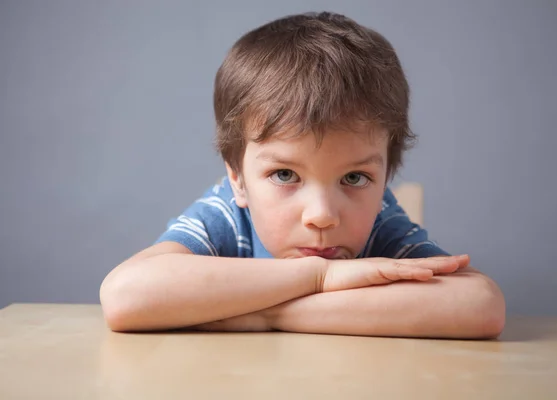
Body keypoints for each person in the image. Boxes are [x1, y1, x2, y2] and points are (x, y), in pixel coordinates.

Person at [99, 11, 505, 338]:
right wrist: (320, 275)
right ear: (238, 178)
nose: (322, 215)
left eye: (354, 178)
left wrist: (266, 316)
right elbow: (125, 295)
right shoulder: (226, 216)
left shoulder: (381, 220)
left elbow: (480, 305)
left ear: (385, 181)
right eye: (284, 175)